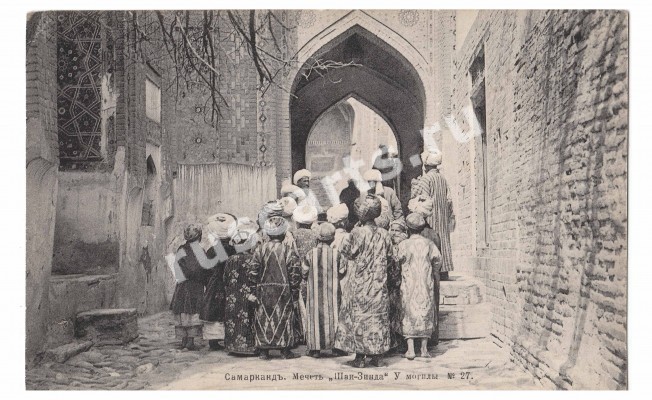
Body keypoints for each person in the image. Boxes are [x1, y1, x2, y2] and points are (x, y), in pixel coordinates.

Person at [334, 195, 393, 368]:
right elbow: (391, 256)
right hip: (379, 284)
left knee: (359, 318)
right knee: (378, 319)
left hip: (360, 284)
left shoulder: (356, 233)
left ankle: (360, 357)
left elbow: (346, 251)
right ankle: (378, 356)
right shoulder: (384, 234)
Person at [248, 216, 301, 360]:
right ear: (283, 234)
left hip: (263, 291)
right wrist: (294, 293)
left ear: (268, 233)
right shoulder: (288, 250)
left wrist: (253, 290)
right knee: (283, 317)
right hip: (283, 291)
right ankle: (285, 351)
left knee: (263, 318)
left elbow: (252, 272)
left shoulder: (260, 250)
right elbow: (295, 274)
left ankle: (263, 351)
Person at [170, 224, 225, 350]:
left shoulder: (181, 249)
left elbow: (177, 266)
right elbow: (202, 269)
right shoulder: (199, 251)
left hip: (182, 285)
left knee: (183, 311)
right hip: (194, 286)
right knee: (192, 312)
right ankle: (190, 341)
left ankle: (184, 340)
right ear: (199, 236)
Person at [395, 213, 441, 360]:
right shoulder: (430, 244)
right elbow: (437, 261)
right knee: (425, 309)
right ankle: (424, 349)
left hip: (409, 283)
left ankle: (410, 349)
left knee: (408, 310)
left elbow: (397, 261)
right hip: (425, 283)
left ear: (408, 229)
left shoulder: (403, 245)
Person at [410, 149, 455, 280]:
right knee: (444, 241)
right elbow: (449, 200)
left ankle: (432, 271)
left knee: (431, 241)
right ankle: (444, 271)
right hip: (443, 217)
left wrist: (414, 185)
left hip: (431, 218)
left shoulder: (426, 179)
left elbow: (419, 197)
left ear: (427, 165)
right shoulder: (443, 179)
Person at [301, 223, 344, 358]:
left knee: (314, 318)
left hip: (314, 295)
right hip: (333, 294)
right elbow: (342, 271)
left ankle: (315, 349)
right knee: (334, 317)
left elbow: (304, 272)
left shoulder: (310, 254)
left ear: (318, 238)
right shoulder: (337, 254)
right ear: (332, 239)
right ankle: (336, 348)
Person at [201, 213, 238, 350]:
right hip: (229, 284)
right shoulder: (232, 249)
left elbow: (206, 269)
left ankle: (213, 340)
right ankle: (229, 337)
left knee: (214, 309)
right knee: (228, 309)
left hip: (214, 283)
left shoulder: (212, 250)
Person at [223, 220, 260, 355]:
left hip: (233, 296)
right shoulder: (252, 259)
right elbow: (256, 277)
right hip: (248, 296)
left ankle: (233, 346)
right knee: (248, 319)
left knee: (233, 320)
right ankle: (248, 347)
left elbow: (225, 278)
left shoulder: (230, 259)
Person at [291, 204, 320, 344]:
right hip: (312, 273)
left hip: (297, 273)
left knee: (298, 303)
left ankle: (300, 333)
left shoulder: (293, 235)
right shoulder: (316, 235)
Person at [388, 219, 408, 353]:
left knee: (401, 313)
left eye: (397, 231)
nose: (394, 233)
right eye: (392, 230)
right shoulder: (388, 245)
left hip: (403, 283)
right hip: (390, 284)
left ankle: (402, 342)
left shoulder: (405, 246)